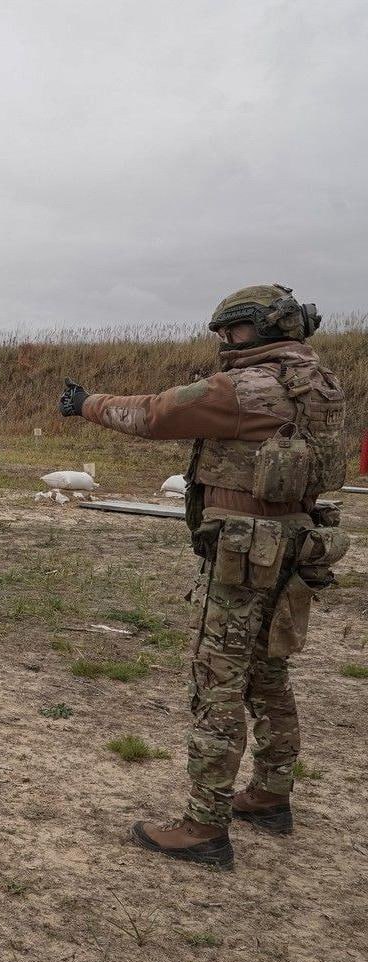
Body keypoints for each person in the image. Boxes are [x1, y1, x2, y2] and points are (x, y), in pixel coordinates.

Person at [60, 284, 348, 869]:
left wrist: (87, 402)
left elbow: (154, 414)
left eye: (234, 331)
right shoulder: (318, 383)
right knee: (270, 672)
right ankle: (270, 794)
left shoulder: (245, 387)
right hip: (298, 542)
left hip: (246, 554)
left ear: (267, 329)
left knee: (216, 681)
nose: (224, 341)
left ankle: (203, 825)